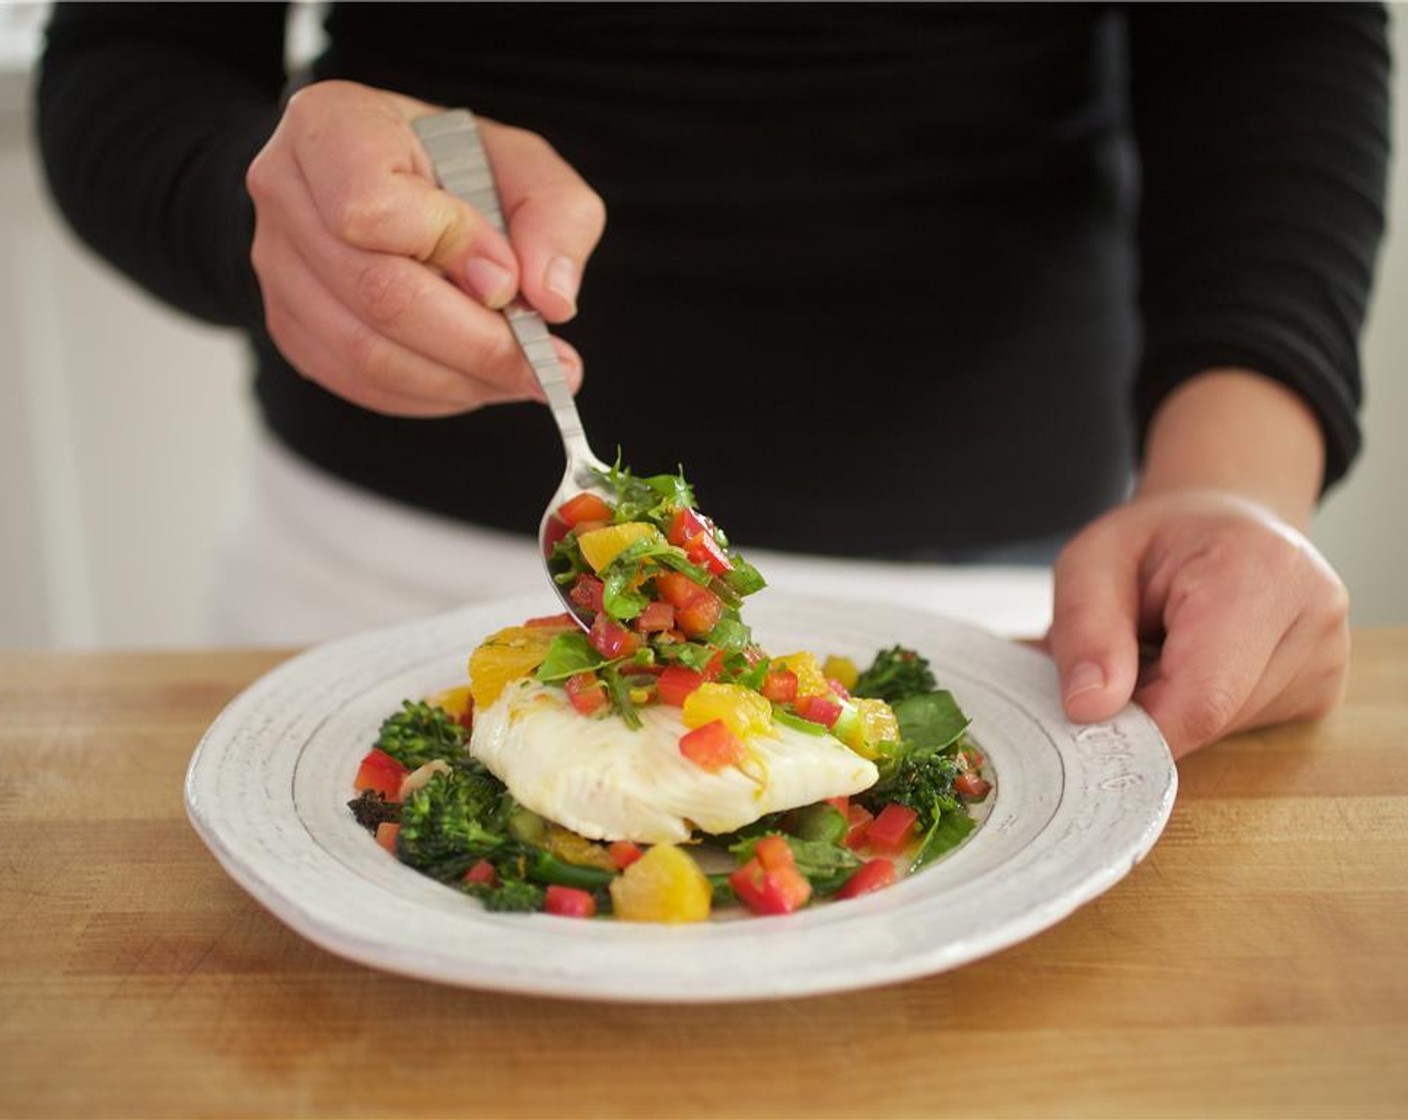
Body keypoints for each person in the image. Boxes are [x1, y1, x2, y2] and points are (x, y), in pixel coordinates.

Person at [35, 4, 1390, 759]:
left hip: (1018, 628)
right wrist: (251, 207)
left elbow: (1271, 36)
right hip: (362, 586)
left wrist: (1233, 487)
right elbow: (129, 56)